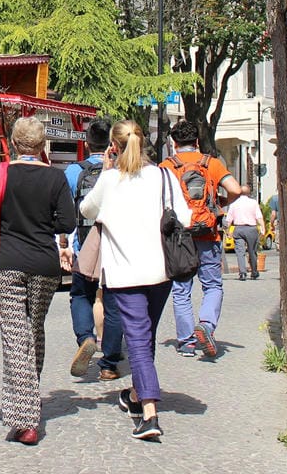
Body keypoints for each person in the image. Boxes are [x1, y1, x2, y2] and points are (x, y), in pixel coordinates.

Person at [0, 117, 76, 446]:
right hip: (44, 264)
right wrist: (44, 223)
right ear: (42, 146)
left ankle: (26, 418)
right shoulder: (55, 178)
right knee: (34, 329)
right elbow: (67, 222)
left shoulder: (1, 174)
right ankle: (27, 397)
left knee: (16, 337)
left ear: (14, 144)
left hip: (8, 264)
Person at [79, 119, 190, 441]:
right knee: (146, 336)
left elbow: (86, 210)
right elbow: (185, 217)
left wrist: (107, 170)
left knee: (139, 340)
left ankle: (150, 413)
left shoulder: (109, 180)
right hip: (160, 272)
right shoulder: (164, 176)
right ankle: (137, 395)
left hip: (125, 274)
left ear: (112, 147)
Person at [159, 120, 242, 359]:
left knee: (181, 289)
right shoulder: (211, 164)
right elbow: (235, 189)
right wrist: (220, 205)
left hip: (179, 236)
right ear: (196, 141)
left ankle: (186, 342)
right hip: (207, 232)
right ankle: (206, 325)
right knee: (213, 285)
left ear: (174, 144)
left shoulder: (166, 167)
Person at [59, 118, 124, 381]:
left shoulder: (74, 172)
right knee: (113, 300)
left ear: (86, 143)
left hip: (84, 245)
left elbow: (63, 211)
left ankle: (86, 337)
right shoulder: (121, 170)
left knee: (81, 294)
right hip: (116, 247)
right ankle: (109, 362)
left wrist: (64, 243)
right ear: (111, 143)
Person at [226, 185, 264, 280]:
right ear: (249, 193)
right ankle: (254, 272)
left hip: (238, 229)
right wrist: (263, 228)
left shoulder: (234, 204)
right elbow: (259, 217)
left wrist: (228, 231)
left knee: (240, 252)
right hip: (251, 229)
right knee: (252, 251)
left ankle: (242, 272)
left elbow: (228, 220)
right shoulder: (253, 203)